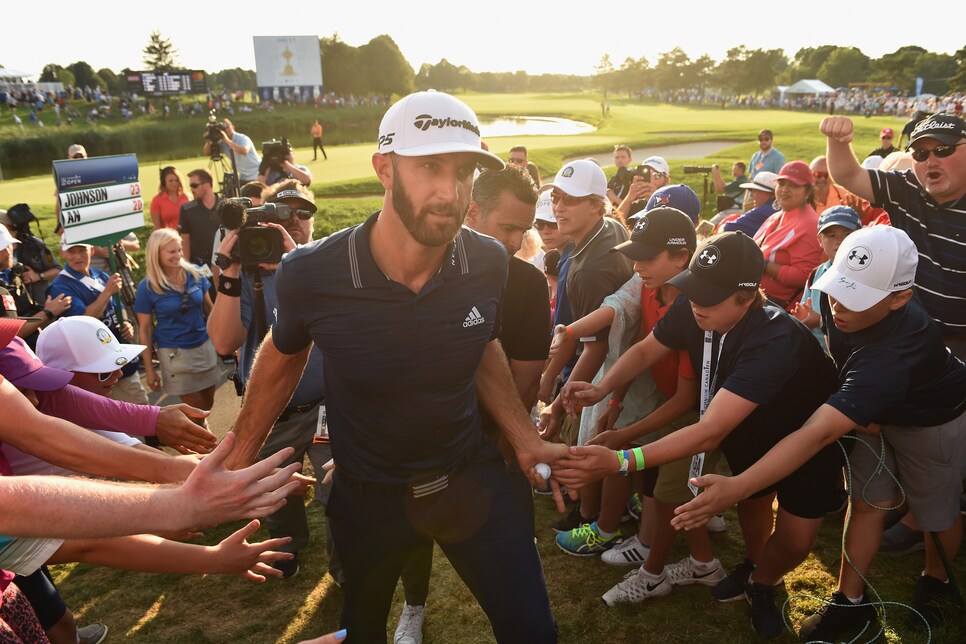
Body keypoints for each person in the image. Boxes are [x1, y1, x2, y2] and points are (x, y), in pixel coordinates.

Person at [224, 90, 566, 644]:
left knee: (534, 633)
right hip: (369, 495)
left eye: (463, 172)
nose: (449, 191)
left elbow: (479, 343)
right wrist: (238, 457)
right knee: (362, 634)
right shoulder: (313, 272)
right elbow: (282, 357)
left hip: (469, 478)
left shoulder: (486, 261)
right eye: (429, 166)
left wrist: (523, 437)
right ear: (385, 168)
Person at [672, 226, 966, 639]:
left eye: (856, 298)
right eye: (835, 289)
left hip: (929, 418)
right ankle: (850, 601)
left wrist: (738, 486)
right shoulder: (840, 297)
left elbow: (816, 435)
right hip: (864, 408)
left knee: (936, 510)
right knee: (867, 503)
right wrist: (861, 409)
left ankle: (934, 580)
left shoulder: (899, 350)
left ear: (900, 298)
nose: (838, 305)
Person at [553, 231, 844, 638]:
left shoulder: (775, 337)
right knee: (754, 507)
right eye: (693, 291)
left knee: (796, 541)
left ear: (747, 297)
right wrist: (601, 388)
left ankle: (765, 579)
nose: (695, 304)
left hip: (806, 442)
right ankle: (758, 574)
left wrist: (622, 460)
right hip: (750, 434)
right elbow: (645, 350)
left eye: (709, 297)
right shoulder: (698, 309)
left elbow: (710, 432)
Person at [396, 166, 549, 643]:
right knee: (412, 539)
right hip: (416, 451)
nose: (516, 239)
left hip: (492, 451)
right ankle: (414, 608)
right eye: (508, 228)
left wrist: (503, 451)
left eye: (524, 230)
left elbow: (525, 383)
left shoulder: (526, 283)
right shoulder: (411, 269)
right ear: (473, 211)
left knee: (517, 571)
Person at [208, 179, 338, 582]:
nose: (295, 220)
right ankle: (287, 548)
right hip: (270, 409)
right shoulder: (248, 272)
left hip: (323, 403)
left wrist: (298, 265)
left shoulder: (325, 262)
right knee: (274, 491)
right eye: (284, 212)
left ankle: (345, 568)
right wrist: (228, 273)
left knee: (338, 486)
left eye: (303, 212)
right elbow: (225, 340)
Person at [538, 159, 639, 534]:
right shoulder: (603, 229)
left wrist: (558, 400)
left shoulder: (594, 267)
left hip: (615, 366)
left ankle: (593, 518)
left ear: (597, 204)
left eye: (571, 200)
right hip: (617, 359)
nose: (559, 207)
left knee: (596, 441)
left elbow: (594, 348)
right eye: (557, 197)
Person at [820, 113, 966, 360]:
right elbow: (848, 175)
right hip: (906, 329)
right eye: (920, 154)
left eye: (943, 150)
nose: (931, 161)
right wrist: (837, 140)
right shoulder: (905, 188)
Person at [47, 238, 149, 405]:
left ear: (92, 251)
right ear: (62, 253)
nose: (77, 256)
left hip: (119, 359)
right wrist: (107, 292)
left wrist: (125, 323)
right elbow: (83, 322)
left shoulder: (100, 275)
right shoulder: (60, 286)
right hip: (94, 368)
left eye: (82, 250)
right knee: (108, 419)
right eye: (71, 251)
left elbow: (119, 305)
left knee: (141, 406)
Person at [135, 229, 219, 419]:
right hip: (175, 355)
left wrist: (224, 341)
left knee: (208, 403)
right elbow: (145, 330)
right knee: (197, 410)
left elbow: (210, 309)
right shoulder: (147, 287)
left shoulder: (196, 274)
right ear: (157, 253)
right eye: (172, 252)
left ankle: (203, 436)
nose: (178, 255)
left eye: (179, 250)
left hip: (204, 347)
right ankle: (206, 444)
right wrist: (150, 370)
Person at [789, 205, 862, 349]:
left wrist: (822, 321)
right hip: (817, 354)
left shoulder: (865, 274)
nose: (839, 240)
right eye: (831, 235)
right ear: (819, 240)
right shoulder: (816, 274)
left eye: (847, 234)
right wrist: (802, 317)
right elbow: (807, 310)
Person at [752, 161, 823, 310]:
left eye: (794, 185)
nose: (785, 189)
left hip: (778, 309)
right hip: (757, 298)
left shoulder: (809, 224)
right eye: (781, 183)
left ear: (808, 192)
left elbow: (805, 276)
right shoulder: (776, 217)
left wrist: (764, 265)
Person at [0, 224, 70, 341]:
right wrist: (47, 312)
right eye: (1, 249)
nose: (8, 253)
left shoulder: (13, 273)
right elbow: (11, 335)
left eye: (9, 245)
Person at [810, 156, 885, 226]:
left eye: (826, 175)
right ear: (809, 174)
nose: (822, 178)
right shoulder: (803, 198)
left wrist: (859, 216)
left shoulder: (847, 195)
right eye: (817, 174)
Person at [178, 169, 221, 269]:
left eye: (194, 185)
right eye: (191, 186)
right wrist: (186, 268)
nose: (192, 189)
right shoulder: (187, 209)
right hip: (199, 266)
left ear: (207, 185)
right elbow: (185, 240)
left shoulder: (225, 206)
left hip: (223, 264)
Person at [720, 172, 779, 237]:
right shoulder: (780, 207)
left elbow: (728, 227)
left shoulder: (762, 212)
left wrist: (720, 226)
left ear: (768, 194)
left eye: (754, 191)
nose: (751, 195)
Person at [150, 166, 189, 230]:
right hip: (168, 237)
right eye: (170, 181)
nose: (174, 183)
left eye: (176, 180)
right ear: (164, 182)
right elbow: (157, 226)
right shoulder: (157, 200)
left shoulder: (186, 197)